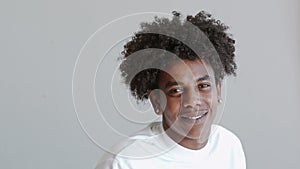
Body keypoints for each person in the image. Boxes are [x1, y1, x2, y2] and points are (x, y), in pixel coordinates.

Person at [95, 10, 246, 169]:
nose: (192, 102)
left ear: (218, 90)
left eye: (203, 86)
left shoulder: (229, 146)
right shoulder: (126, 161)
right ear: (157, 101)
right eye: (176, 91)